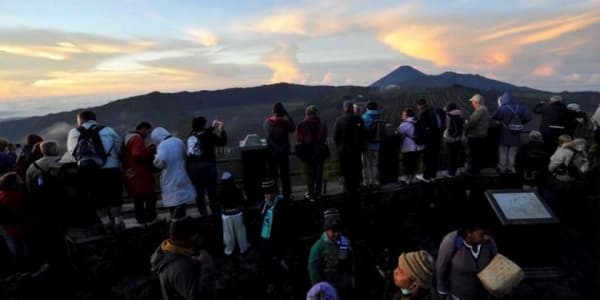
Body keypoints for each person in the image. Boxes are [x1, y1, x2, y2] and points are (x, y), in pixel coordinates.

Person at [66, 110, 124, 233]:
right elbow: (119, 147)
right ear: (94, 119)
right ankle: (118, 222)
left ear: (80, 120)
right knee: (115, 197)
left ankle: (106, 222)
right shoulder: (108, 130)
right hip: (111, 169)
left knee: (96, 198)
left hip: (88, 170)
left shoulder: (74, 132)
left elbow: (72, 152)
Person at [150, 216, 217, 300]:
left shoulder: (169, 251)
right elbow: (200, 297)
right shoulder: (180, 269)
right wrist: (206, 265)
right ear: (186, 237)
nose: (199, 237)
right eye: (195, 234)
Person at [436, 222, 498, 300]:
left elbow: (496, 265)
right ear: (469, 233)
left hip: (482, 296)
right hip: (456, 296)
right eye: (482, 234)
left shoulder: (489, 243)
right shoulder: (452, 241)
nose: (486, 237)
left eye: (488, 234)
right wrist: (442, 291)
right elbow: (441, 267)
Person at [152, 127, 196, 219]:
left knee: (173, 202)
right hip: (182, 174)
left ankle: (175, 221)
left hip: (170, 177)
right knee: (181, 200)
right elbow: (185, 155)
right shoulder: (178, 141)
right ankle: (183, 219)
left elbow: (160, 163)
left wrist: (154, 158)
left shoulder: (162, 145)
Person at [187, 116, 227, 216]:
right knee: (211, 190)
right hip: (208, 165)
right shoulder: (210, 136)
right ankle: (215, 211)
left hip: (193, 167)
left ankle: (203, 212)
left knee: (199, 191)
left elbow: (202, 134)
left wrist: (211, 127)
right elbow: (222, 142)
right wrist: (221, 130)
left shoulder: (191, 135)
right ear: (203, 125)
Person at [308, 208, 353, 296]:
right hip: (326, 287)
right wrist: (320, 289)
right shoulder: (318, 247)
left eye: (338, 230)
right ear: (326, 229)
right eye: (333, 231)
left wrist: (349, 278)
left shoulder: (344, 242)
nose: (336, 234)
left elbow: (348, 262)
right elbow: (314, 271)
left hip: (342, 285)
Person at [546, 135, 588, 222]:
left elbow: (551, 167)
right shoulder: (583, 154)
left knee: (551, 203)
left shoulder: (564, 151)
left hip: (559, 181)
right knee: (565, 205)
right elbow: (584, 170)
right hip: (572, 183)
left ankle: (550, 221)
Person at [123, 121, 158, 225]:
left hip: (131, 173)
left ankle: (141, 220)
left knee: (138, 198)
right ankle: (150, 218)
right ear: (143, 128)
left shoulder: (127, 138)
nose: (148, 134)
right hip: (140, 173)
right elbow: (137, 154)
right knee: (150, 196)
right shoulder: (136, 138)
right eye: (148, 131)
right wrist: (150, 151)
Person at [259, 178, 289, 290]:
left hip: (278, 242)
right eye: (266, 193)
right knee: (268, 266)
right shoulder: (264, 204)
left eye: (270, 193)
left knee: (281, 264)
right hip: (265, 243)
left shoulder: (281, 203)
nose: (268, 196)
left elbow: (285, 225)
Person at [492, 92, 531, 174]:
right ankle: (511, 168)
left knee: (503, 151)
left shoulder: (503, 108)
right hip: (516, 134)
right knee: (512, 153)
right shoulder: (520, 108)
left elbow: (495, 117)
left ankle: (503, 168)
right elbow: (528, 117)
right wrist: (521, 123)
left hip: (504, 134)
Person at [0, 172, 32, 271]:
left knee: (16, 245)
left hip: (8, 227)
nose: (21, 181)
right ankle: (27, 264)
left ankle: (20, 264)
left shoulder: (2, 194)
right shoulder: (16, 195)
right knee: (24, 245)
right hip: (20, 225)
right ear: (12, 184)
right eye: (18, 179)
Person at [264, 102, 296, 200]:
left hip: (272, 153)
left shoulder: (267, 122)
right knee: (285, 175)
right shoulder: (285, 123)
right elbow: (293, 128)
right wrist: (288, 115)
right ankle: (287, 194)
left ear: (273, 111)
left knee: (273, 175)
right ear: (282, 111)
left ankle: (274, 194)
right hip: (283, 152)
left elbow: (266, 135)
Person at [296, 105, 328, 202]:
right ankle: (318, 193)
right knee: (319, 174)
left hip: (307, 153)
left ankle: (311, 194)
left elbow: (298, 139)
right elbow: (324, 138)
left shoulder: (301, 125)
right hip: (319, 152)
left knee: (310, 175)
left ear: (307, 113)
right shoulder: (322, 125)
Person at [333, 100, 365, 194]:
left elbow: (335, 136)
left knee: (346, 170)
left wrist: (339, 147)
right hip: (356, 150)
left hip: (344, 150)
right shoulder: (359, 119)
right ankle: (357, 186)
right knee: (356, 168)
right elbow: (362, 134)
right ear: (352, 108)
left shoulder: (339, 120)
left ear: (344, 108)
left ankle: (347, 188)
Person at [216, 171, 249, 256]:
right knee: (241, 232)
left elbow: (218, 203)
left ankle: (229, 250)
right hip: (237, 214)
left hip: (226, 216)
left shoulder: (220, 192)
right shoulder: (238, 190)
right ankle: (243, 248)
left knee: (228, 235)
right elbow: (244, 201)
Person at [416, 99, 445, 182]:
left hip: (428, 140)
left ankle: (426, 177)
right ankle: (433, 176)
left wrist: (420, 141)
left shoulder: (423, 113)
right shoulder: (434, 111)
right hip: (436, 139)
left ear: (420, 105)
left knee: (427, 158)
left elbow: (422, 129)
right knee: (434, 158)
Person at [397, 109, 424, 184]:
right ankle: (413, 177)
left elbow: (398, 132)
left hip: (408, 147)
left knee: (407, 163)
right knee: (414, 163)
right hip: (417, 146)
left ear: (406, 115)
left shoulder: (405, 124)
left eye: (403, 114)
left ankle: (407, 179)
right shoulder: (417, 122)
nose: (402, 116)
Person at [465, 94, 489, 175]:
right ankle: (476, 170)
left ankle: (472, 171)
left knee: (472, 154)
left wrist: (466, 124)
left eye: (472, 102)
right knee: (477, 155)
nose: (472, 104)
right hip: (482, 136)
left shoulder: (480, 110)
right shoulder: (485, 109)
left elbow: (472, 122)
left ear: (476, 102)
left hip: (475, 136)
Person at [362, 101, 382, 186]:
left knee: (366, 165)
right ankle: (374, 181)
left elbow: (362, 131)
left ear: (367, 108)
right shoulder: (379, 116)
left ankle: (367, 183)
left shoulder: (365, 117)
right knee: (374, 164)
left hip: (367, 144)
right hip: (377, 144)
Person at [443, 103, 465, 177]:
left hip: (450, 139)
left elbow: (446, 126)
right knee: (455, 155)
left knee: (450, 156)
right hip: (459, 138)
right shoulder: (460, 115)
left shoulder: (448, 116)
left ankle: (450, 172)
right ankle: (454, 171)